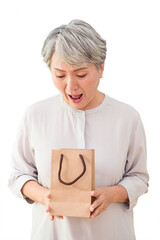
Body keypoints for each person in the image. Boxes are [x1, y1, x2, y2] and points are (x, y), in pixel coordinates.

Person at [8, 19, 149, 240]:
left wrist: (112, 194)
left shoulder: (127, 118)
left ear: (101, 68)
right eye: (60, 75)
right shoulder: (35, 116)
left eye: (81, 75)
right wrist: (45, 196)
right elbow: (18, 175)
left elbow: (139, 178)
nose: (71, 86)